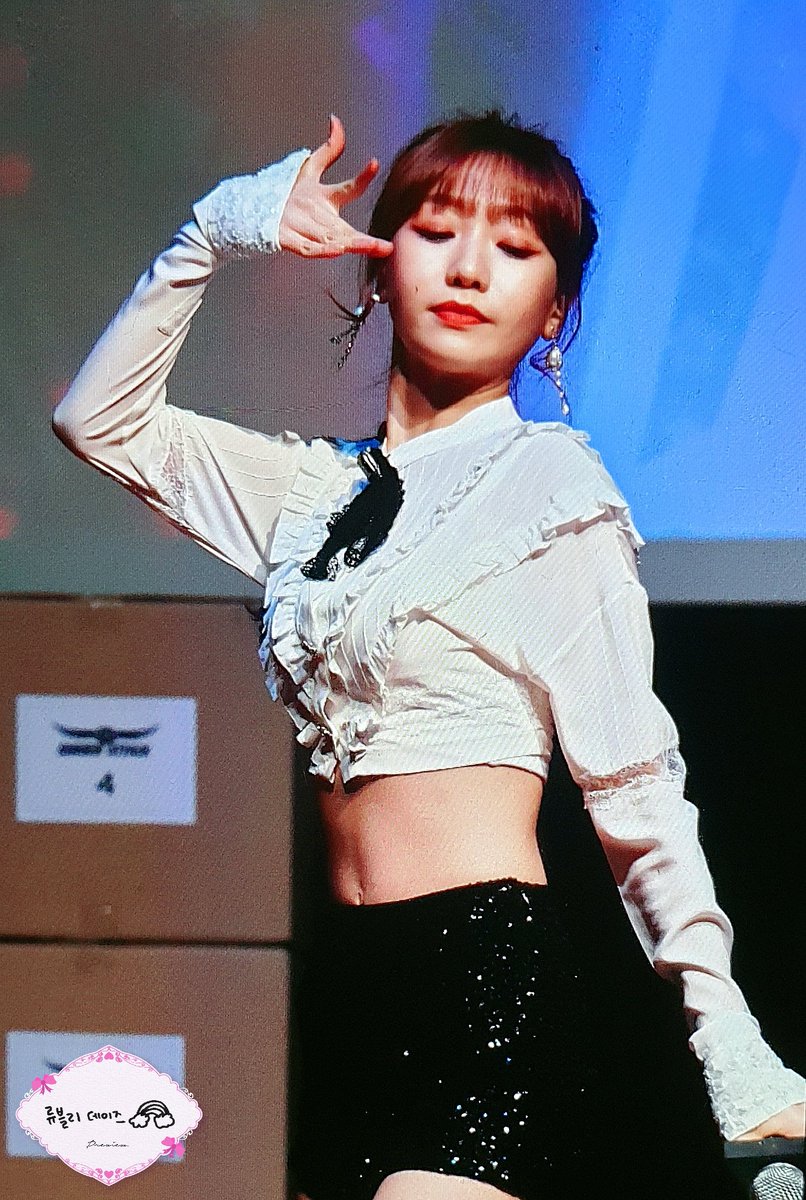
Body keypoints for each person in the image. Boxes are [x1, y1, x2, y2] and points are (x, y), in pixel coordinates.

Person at [53, 111, 804, 1200]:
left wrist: (725, 1038)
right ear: (377, 262)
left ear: (554, 310)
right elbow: (101, 423)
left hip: (482, 986)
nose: (467, 269)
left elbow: (635, 788)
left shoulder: (551, 494)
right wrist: (214, 231)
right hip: (345, 995)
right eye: (437, 229)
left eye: (515, 248)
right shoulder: (312, 493)